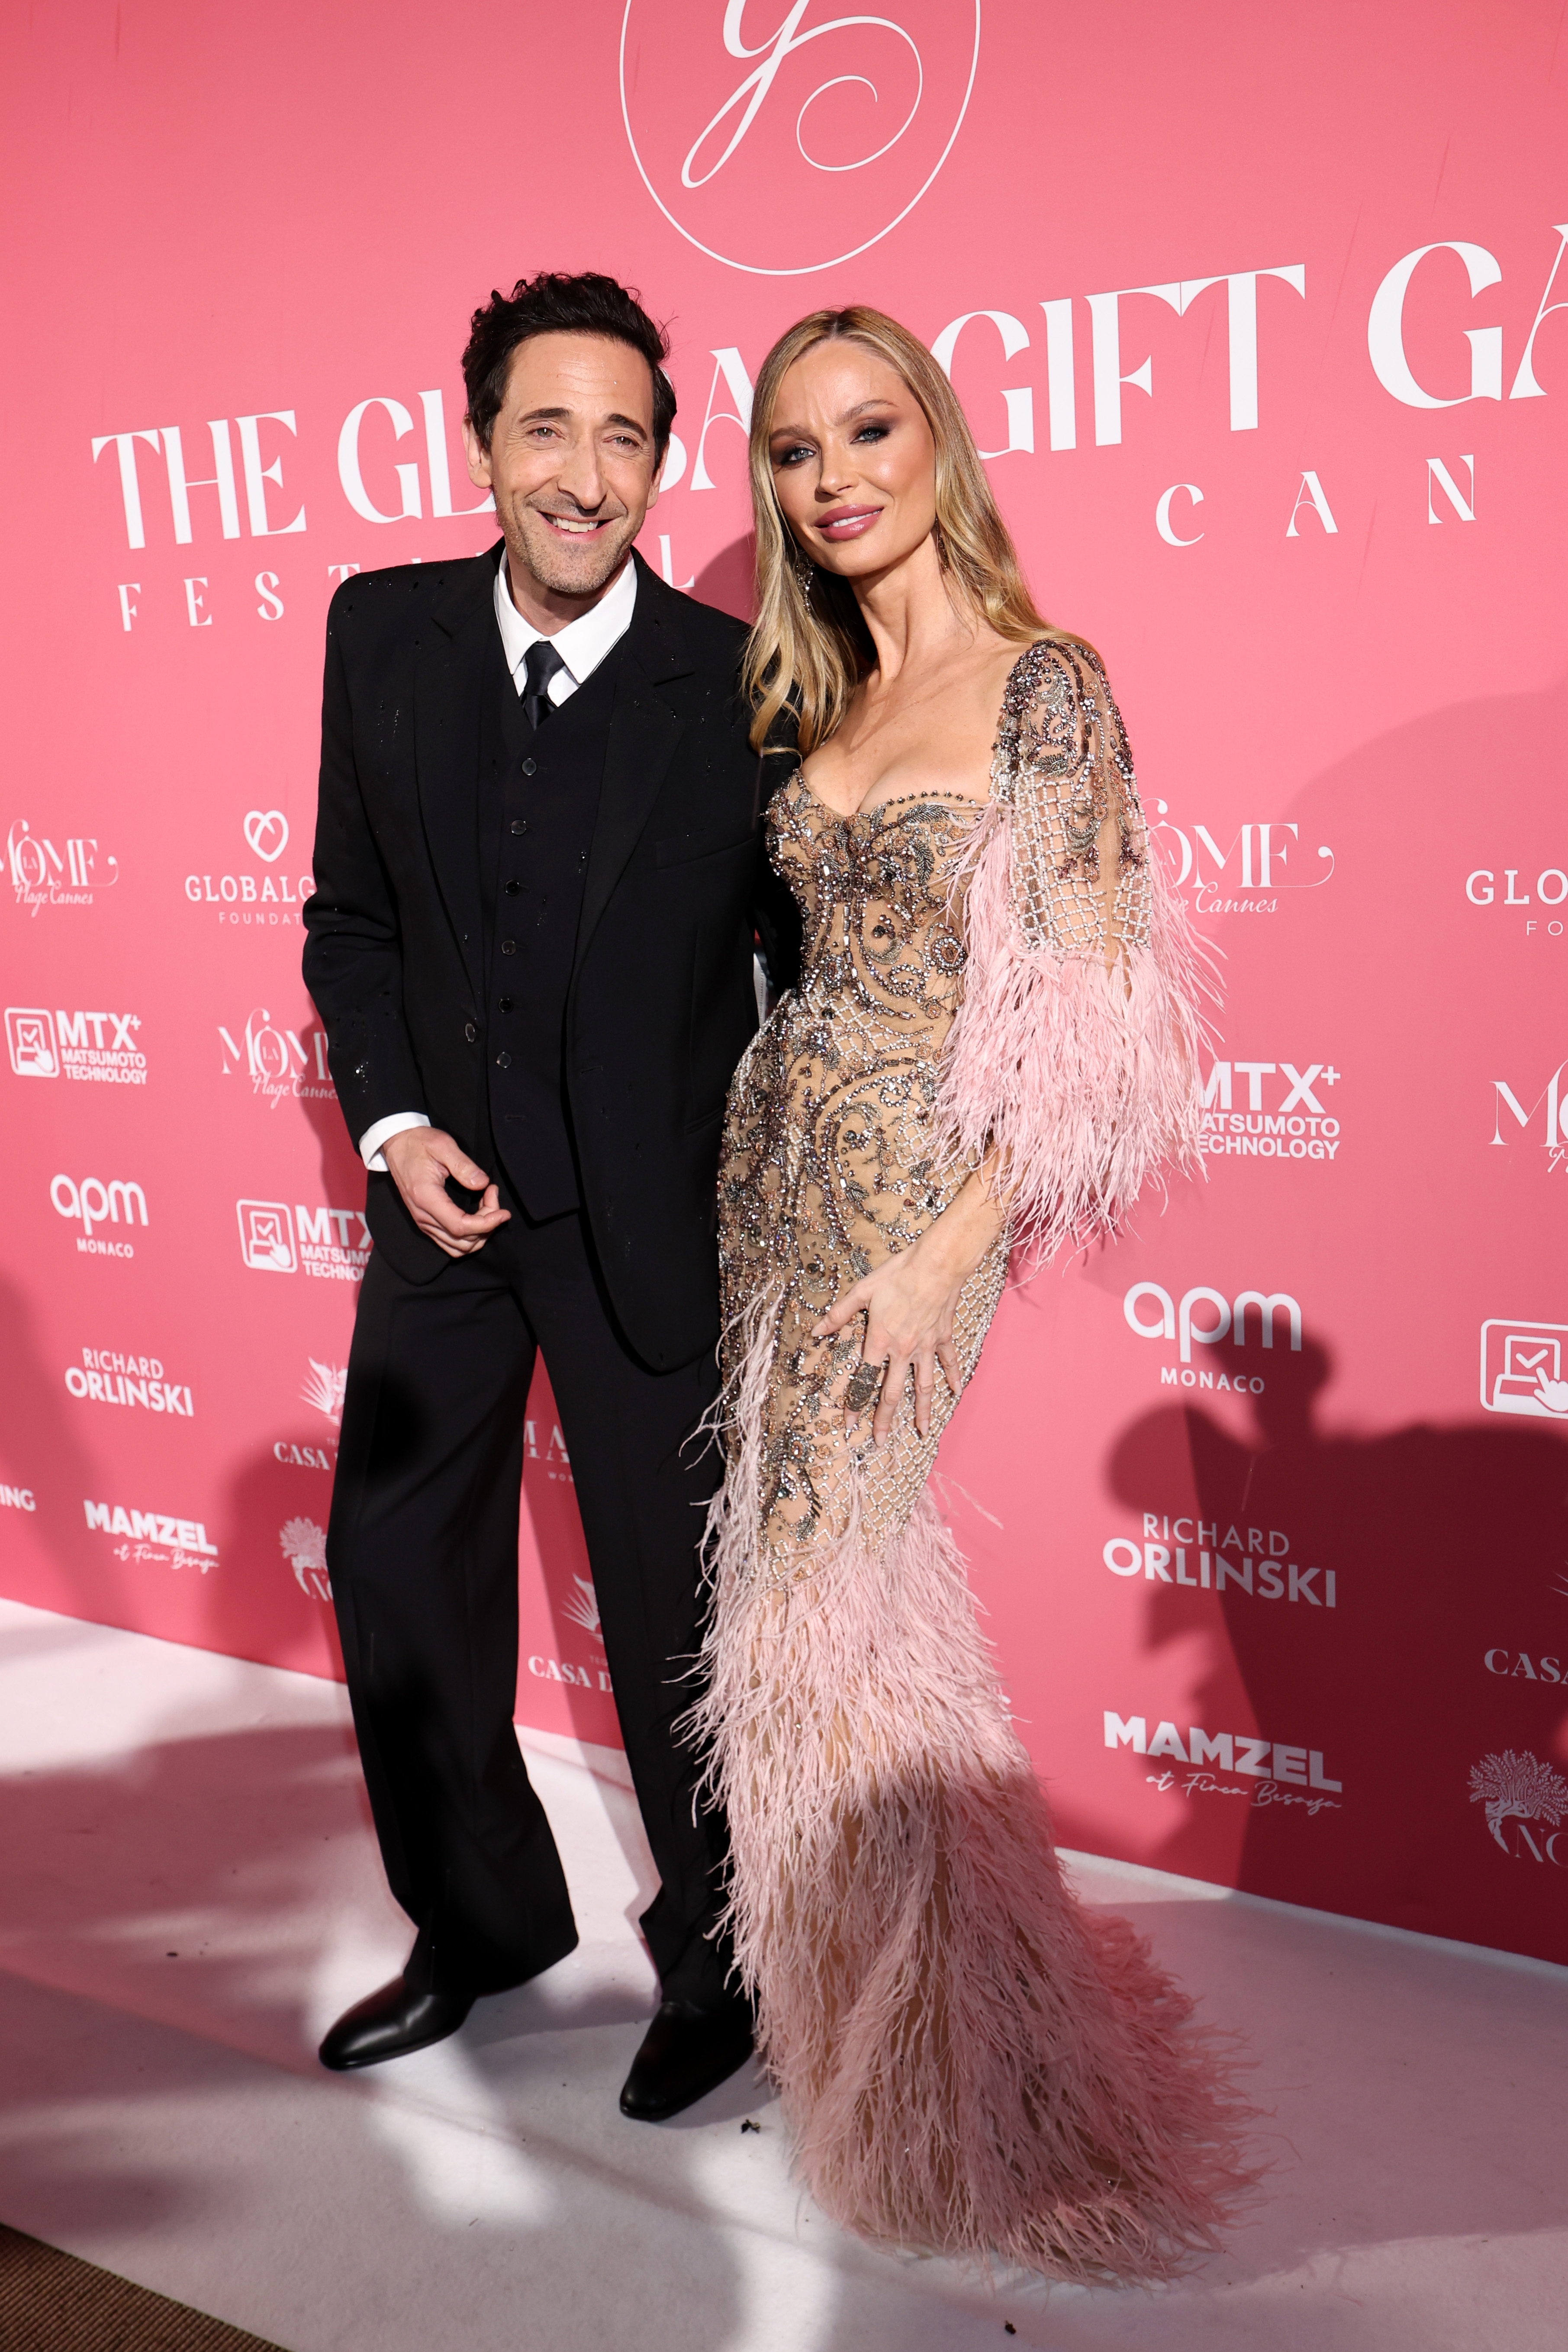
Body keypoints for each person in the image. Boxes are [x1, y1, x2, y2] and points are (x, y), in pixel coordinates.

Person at [688, 307, 1252, 2275]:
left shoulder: (1046, 686)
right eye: (794, 450)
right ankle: (885, 2033)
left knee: (840, 1621)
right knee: (792, 1627)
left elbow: (1090, 1025)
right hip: (773, 1191)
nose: (833, 477)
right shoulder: (825, 699)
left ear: (939, 443)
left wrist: (952, 1252)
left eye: (870, 431)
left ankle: (989, 2082)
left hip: (908, 1222)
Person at [302, 272, 798, 2119]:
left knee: (675, 1608)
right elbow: (349, 919)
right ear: (479, 442)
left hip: (648, 1226)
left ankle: (725, 1958)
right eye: (546, 428)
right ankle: (483, 1921)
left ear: (661, 462)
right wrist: (390, 1121)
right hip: (443, 1210)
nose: (584, 474)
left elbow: (808, 966)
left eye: (624, 437)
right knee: (391, 1567)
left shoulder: (739, 685)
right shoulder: (382, 632)